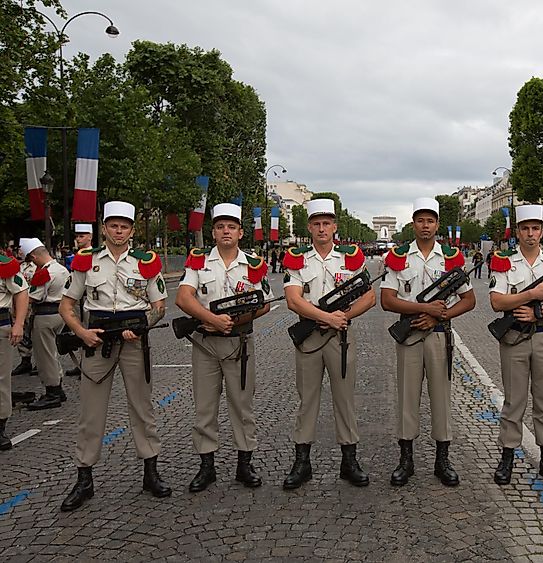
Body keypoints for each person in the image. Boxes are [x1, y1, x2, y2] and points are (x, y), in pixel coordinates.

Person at [58, 201, 171, 512]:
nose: (119, 231)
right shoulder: (86, 261)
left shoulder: (146, 262)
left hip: (134, 342)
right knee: (91, 414)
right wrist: (81, 333)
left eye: (124, 226)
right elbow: (66, 306)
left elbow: (159, 306)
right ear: (103, 227)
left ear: (132, 230)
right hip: (96, 340)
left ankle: (151, 472)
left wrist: (143, 326)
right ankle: (84, 479)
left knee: (142, 408)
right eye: (113, 225)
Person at [176, 203, 270, 493]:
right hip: (205, 343)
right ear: (213, 232)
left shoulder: (253, 264)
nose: (225, 231)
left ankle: (245, 463)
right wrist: (212, 319)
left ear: (241, 232)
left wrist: (238, 319)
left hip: (240, 343)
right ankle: (207, 466)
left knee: (242, 405)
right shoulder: (198, 262)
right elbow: (183, 297)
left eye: (231, 227)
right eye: (220, 227)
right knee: (205, 407)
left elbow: (264, 304)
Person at [381, 197, 476, 487]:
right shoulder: (398, 257)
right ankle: (405, 459)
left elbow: (469, 300)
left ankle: (442, 459)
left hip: (437, 334)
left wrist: (439, 315)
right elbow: (387, 300)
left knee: (441, 398)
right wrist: (424, 309)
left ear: (437, 224)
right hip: (409, 335)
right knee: (407, 398)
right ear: (413, 224)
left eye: (430, 220)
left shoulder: (450, 257)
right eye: (421, 220)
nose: (426, 225)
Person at [282, 199, 375, 489]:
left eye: (326, 223)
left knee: (345, 400)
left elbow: (369, 297)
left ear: (335, 227)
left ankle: (349, 461)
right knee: (306, 400)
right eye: (316, 224)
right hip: (310, 337)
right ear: (309, 227)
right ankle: (302, 462)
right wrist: (326, 316)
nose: (322, 229)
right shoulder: (297, 258)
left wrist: (342, 317)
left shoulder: (351, 257)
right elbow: (293, 299)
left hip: (340, 337)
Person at [489, 204, 543, 486]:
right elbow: (497, 301)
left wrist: (540, 311)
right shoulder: (504, 262)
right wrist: (532, 294)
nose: (530, 234)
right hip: (514, 337)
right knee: (514, 401)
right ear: (517, 232)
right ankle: (507, 457)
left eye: (535, 228)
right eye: (525, 228)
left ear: (542, 232)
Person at [19, 238, 70, 410]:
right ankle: (58, 388)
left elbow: (33, 297)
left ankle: (52, 392)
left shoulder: (44, 273)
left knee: (45, 356)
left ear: (34, 256)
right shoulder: (61, 269)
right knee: (52, 353)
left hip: (44, 315)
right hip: (59, 313)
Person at [0, 251, 29, 450]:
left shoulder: (4, 265)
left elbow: (21, 291)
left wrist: (18, 323)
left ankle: (0, 425)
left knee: (1, 378)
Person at [65, 223, 93, 378]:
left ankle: (87, 364)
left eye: (82, 236)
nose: (78, 239)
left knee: (88, 329)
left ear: (90, 237)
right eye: (77, 236)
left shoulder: (93, 255)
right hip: (76, 297)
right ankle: (83, 362)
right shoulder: (78, 254)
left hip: (89, 298)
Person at [10, 242, 37, 377]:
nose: (19, 252)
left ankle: (40, 362)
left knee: (35, 333)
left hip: (33, 303)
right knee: (22, 333)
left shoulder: (37, 267)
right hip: (17, 305)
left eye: (22, 249)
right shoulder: (19, 266)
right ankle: (25, 359)